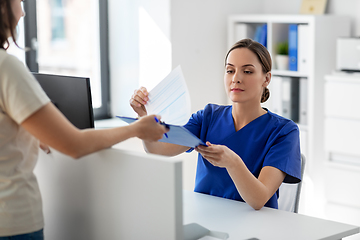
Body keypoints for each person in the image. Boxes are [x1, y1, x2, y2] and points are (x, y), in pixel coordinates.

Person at [0, 0, 169, 239]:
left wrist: (34, 132)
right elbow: (74, 145)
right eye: (18, 1)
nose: (23, 11)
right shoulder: (7, 69)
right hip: (13, 224)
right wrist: (137, 129)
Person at [130, 38, 301, 210]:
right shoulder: (208, 117)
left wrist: (232, 162)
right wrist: (145, 118)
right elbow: (157, 150)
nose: (236, 78)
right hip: (206, 218)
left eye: (247, 71)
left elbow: (258, 200)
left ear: (266, 79)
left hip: (254, 225)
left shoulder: (284, 131)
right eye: (230, 70)